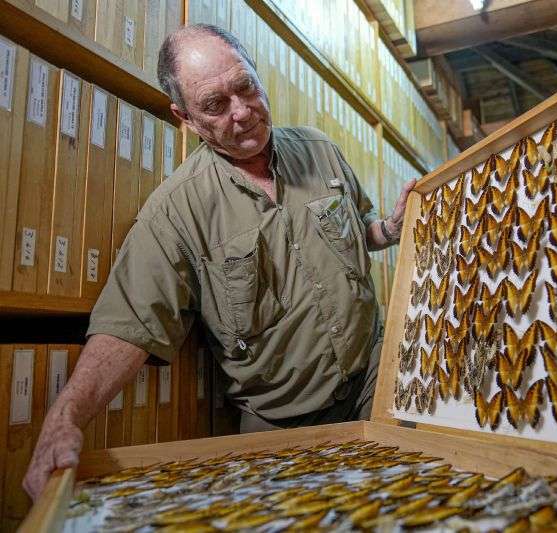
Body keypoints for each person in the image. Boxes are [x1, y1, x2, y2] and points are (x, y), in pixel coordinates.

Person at [23, 23, 415, 499]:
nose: (243, 112)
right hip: (283, 423)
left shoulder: (320, 149)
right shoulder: (177, 209)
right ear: (185, 117)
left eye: (246, 87)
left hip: (377, 378)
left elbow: (359, 228)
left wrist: (389, 231)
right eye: (215, 105)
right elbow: (128, 324)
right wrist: (64, 420)